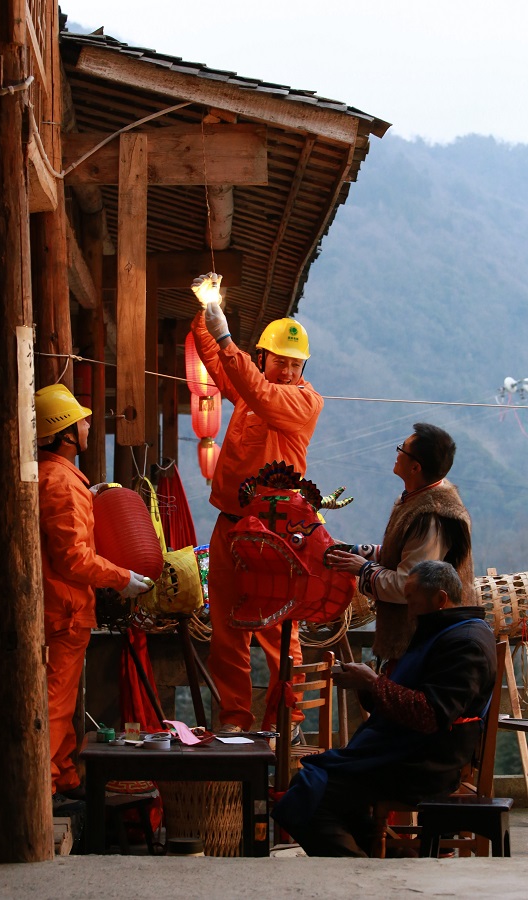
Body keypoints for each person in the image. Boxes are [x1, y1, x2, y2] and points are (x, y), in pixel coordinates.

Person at [190, 273, 349, 735]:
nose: (288, 372)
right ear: (262, 358)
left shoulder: (304, 402)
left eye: (296, 365)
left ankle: (286, 722)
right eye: (281, 361)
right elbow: (216, 357)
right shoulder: (250, 388)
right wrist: (206, 307)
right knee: (227, 631)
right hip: (230, 526)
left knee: (279, 630)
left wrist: (225, 336)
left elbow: (257, 389)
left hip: (277, 532)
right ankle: (234, 724)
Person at [272, 560, 497, 857]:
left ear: (440, 599)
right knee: (315, 785)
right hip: (404, 750)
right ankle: (395, 859)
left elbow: (430, 713)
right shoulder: (443, 632)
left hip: (424, 763)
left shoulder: (465, 643)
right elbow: (406, 699)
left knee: (310, 794)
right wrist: (367, 686)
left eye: (412, 600)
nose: (408, 609)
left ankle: (359, 869)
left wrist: (374, 682)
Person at [35, 383, 151, 804]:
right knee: (55, 702)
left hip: (58, 604)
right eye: (81, 422)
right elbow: (74, 558)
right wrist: (122, 577)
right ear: (66, 434)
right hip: (65, 607)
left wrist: (88, 495)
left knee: (62, 698)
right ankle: (44, 786)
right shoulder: (62, 484)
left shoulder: (56, 477)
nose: (88, 426)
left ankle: (64, 775)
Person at [326, 422, 477, 664]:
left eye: (402, 449)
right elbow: (402, 554)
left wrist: (363, 569)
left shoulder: (431, 517)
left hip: (422, 641)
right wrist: (353, 550)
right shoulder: (416, 499)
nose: (397, 454)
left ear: (415, 467)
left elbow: (409, 586)